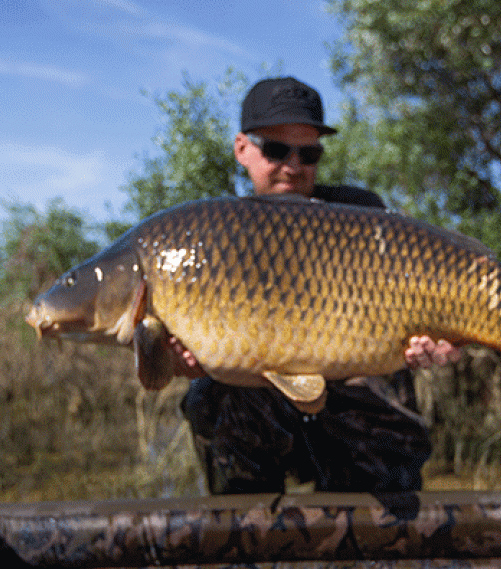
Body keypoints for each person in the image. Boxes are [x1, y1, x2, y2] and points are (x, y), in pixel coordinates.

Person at [181, 76, 459, 497]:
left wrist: (440, 338)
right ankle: (249, 533)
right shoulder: (218, 234)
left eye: (308, 153)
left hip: (349, 411)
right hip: (267, 408)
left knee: (382, 391)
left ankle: (378, 525)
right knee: (209, 395)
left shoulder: (363, 214)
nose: (293, 165)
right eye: (276, 150)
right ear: (242, 148)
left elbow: (430, 307)